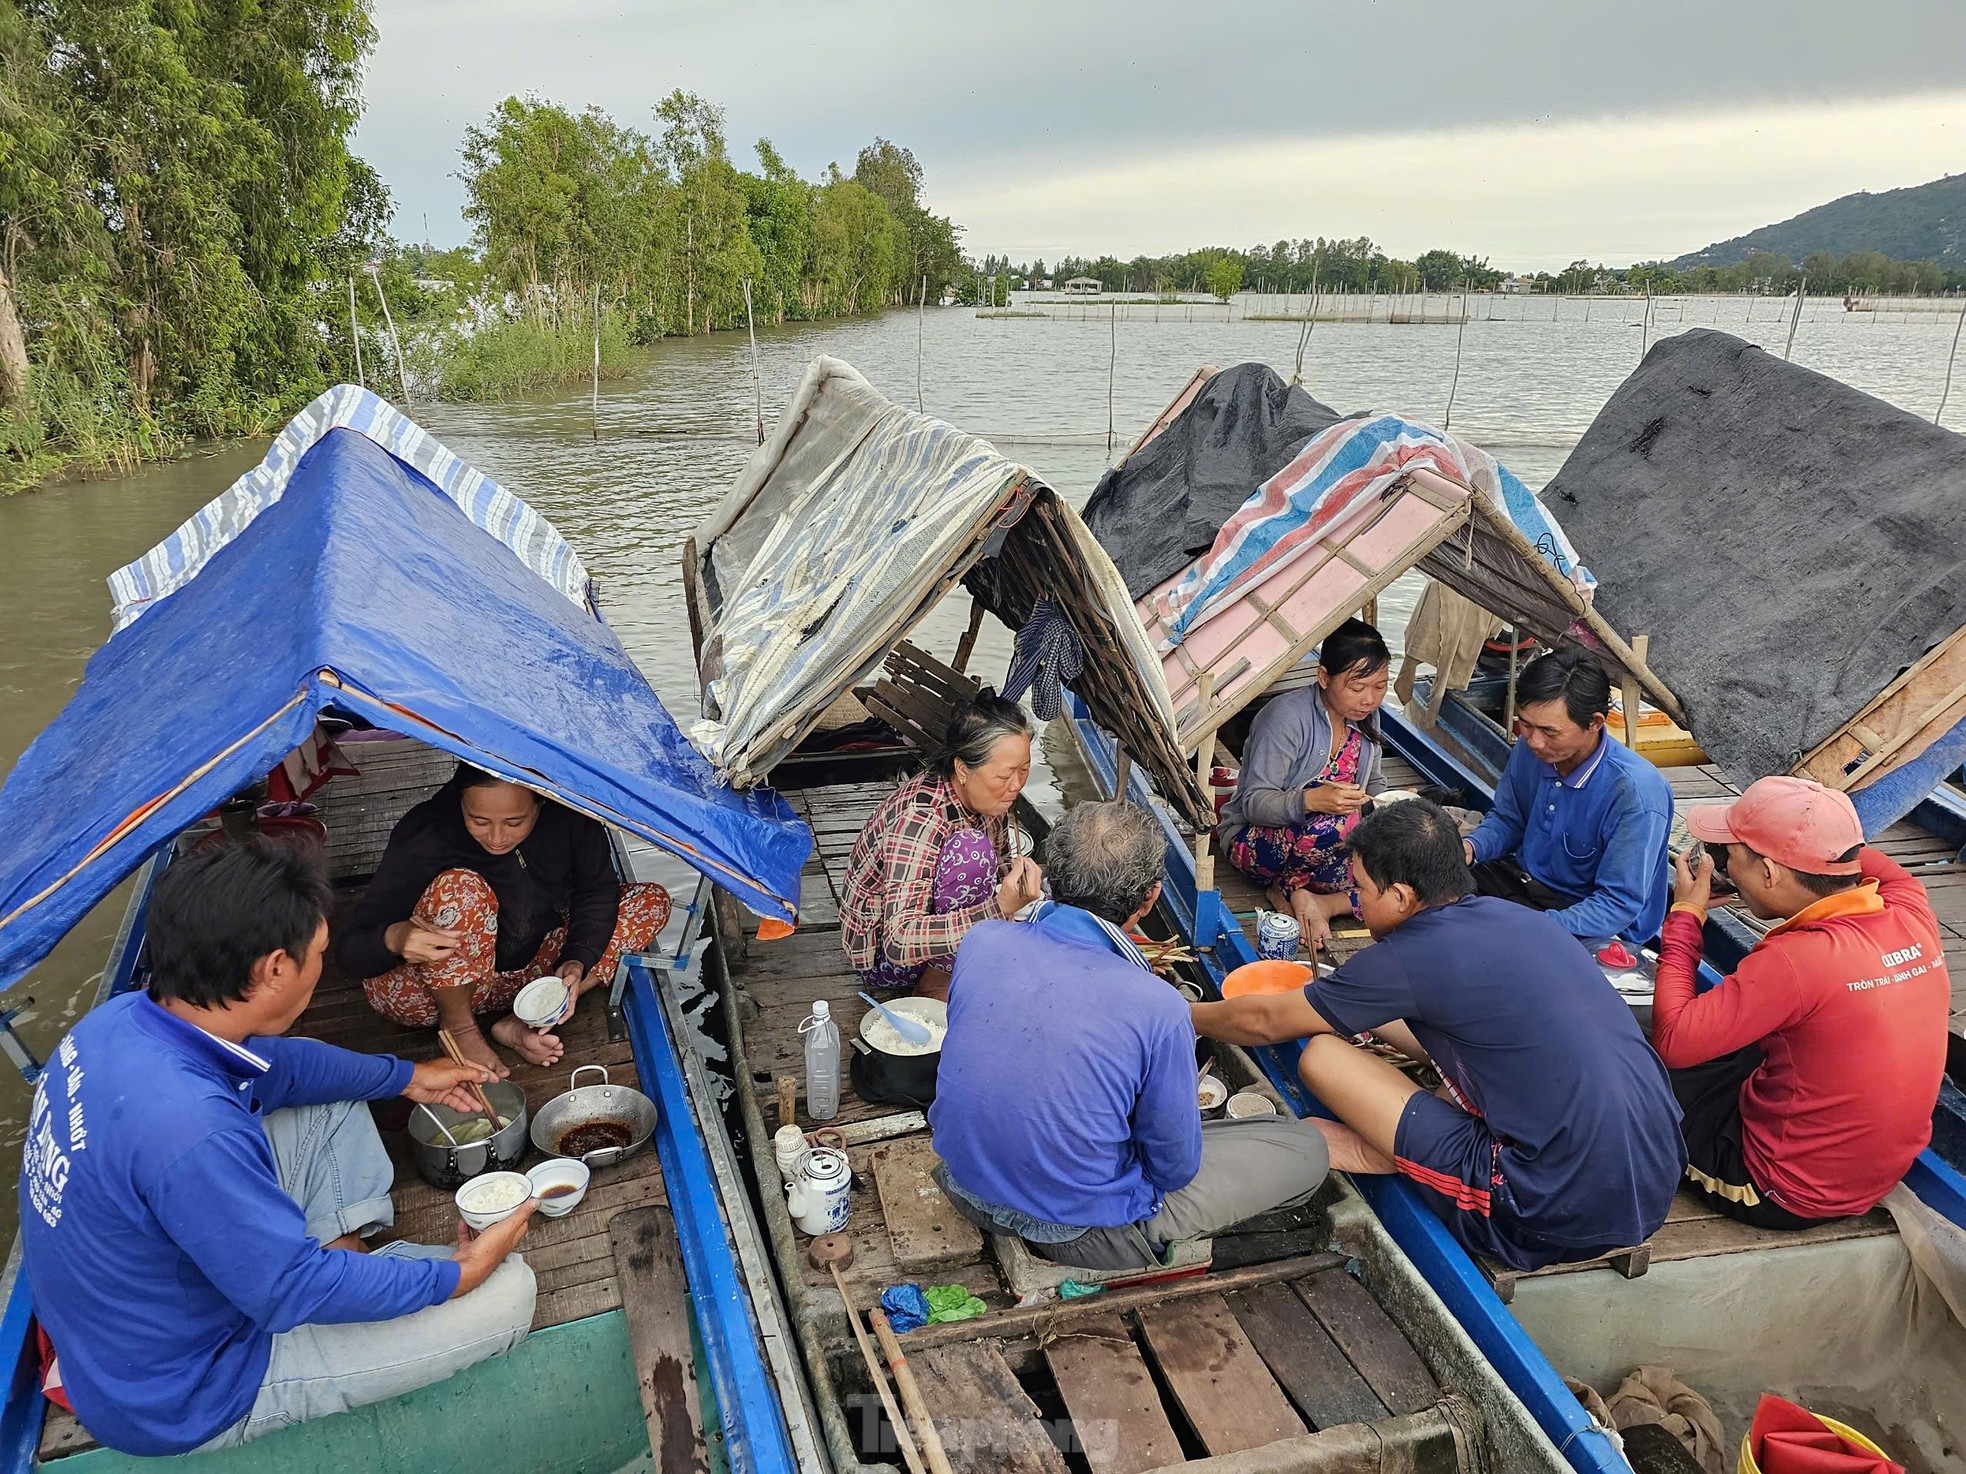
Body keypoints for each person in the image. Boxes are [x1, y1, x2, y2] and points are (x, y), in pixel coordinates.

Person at [19, 841, 535, 1456]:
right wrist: (459, 1275)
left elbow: (278, 1068)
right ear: (273, 970)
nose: (323, 966)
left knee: (334, 1100)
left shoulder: (120, 1021)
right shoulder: (191, 1129)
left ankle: (348, 1264)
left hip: (135, 1315)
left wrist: (408, 1077)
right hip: (191, 1386)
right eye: (318, 954)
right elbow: (286, 1292)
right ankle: (355, 1276)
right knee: (509, 1291)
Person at [1194, 800, 1684, 1271]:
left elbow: (1263, 1022)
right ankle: (1412, 1141)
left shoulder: (1414, 954)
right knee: (1374, 1023)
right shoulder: (1515, 918)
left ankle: (1377, 1152)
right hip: (1654, 1174)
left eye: (1361, 890)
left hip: (1541, 1210)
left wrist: (1184, 1016)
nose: (1357, 903)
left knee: (1322, 1055)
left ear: (1402, 897)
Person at [931, 801, 1331, 1271]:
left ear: (1051, 875)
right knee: (1305, 1150)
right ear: (1150, 898)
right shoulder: (1159, 1008)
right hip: (1079, 1232)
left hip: (964, 1184)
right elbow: (1174, 1169)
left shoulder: (982, 940)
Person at [1654, 777, 1951, 1228]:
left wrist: (1687, 914)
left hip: (1781, 1190)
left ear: (1771, 874)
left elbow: (1673, 1040)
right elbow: (1857, 858)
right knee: (1748, 1030)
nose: (1727, 869)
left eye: (1731, 859)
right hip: (1873, 1174)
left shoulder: (1793, 961)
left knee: (1638, 1080)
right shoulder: (1909, 909)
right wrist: (1810, 832)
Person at [340, 763, 671, 1076]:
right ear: (460, 802)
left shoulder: (572, 818)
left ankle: (524, 1021)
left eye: (515, 823)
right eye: (479, 821)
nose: (497, 837)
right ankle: (460, 1029)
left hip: (529, 979)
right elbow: (351, 952)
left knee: (650, 902)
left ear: (541, 803)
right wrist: (396, 938)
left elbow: (596, 892)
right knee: (460, 888)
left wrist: (577, 959)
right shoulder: (427, 831)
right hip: (431, 995)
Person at [1462, 648, 1674, 947]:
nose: (1534, 741)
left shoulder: (1635, 793)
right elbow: (1510, 820)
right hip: (1526, 886)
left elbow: (1617, 903)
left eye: (1549, 731)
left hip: (1595, 923)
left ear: (1595, 723)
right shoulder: (1532, 748)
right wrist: (1472, 847)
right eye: (1526, 724)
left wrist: (1535, 926)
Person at [840, 692, 1045, 1000]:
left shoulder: (989, 801)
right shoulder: (920, 820)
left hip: (948, 926)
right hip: (884, 957)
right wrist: (999, 908)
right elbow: (898, 942)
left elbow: (1001, 869)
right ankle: (937, 982)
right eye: (1005, 774)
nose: (1016, 785)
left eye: (1024, 771)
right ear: (962, 770)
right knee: (970, 851)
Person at [1217, 618, 1391, 952]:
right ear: (1324, 677)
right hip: (1258, 842)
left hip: (1333, 845)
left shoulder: (1368, 717)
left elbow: (1376, 785)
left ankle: (1313, 899)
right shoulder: (1285, 717)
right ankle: (1290, 889)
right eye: (1357, 687)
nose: (1369, 699)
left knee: (1403, 862)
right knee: (1338, 826)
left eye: (1380, 686)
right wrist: (1311, 801)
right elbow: (1254, 803)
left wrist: (1390, 804)